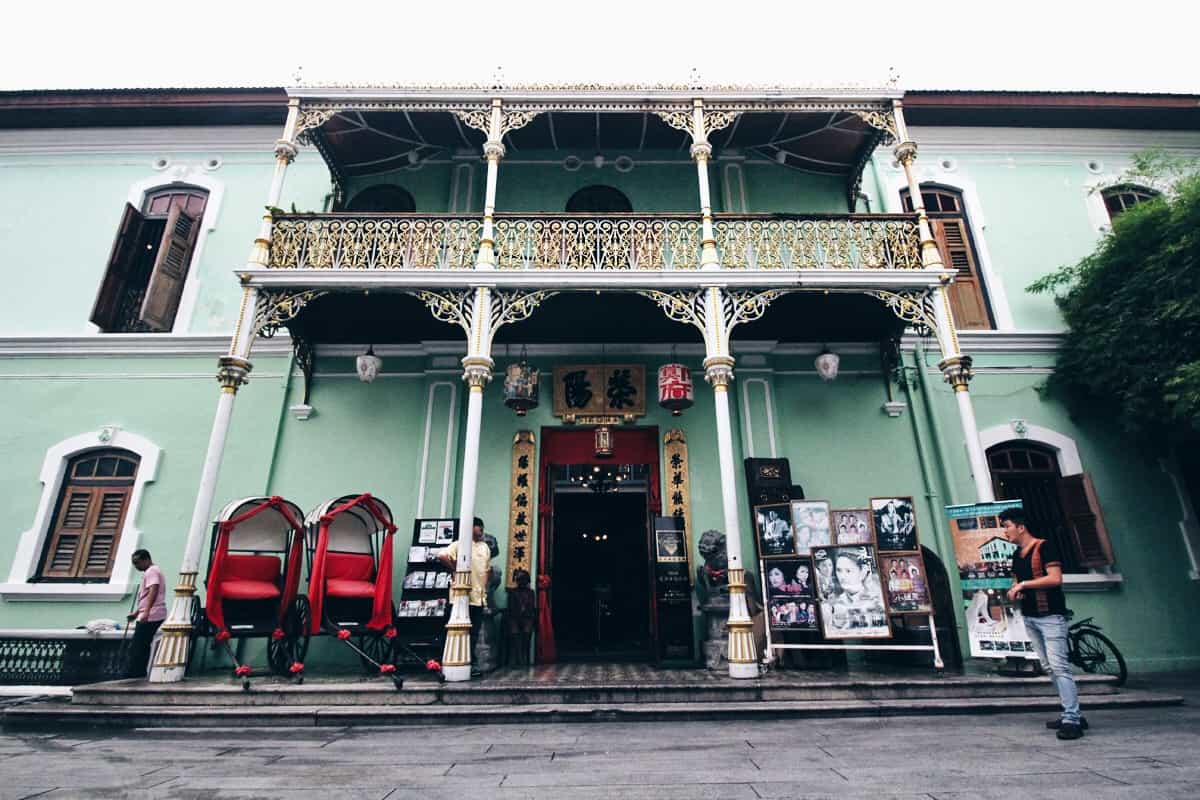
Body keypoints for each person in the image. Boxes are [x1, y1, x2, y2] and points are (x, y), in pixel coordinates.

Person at [1001, 507, 1085, 740]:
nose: (1005, 531)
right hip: (1031, 616)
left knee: (1060, 667)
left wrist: (1024, 585)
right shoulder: (1016, 556)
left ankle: (1072, 719)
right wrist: (1015, 592)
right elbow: (1017, 583)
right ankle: (1071, 711)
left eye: (1007, 526)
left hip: (1051, 617)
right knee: (1049, 667)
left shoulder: (1044, 547)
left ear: (1020, 527)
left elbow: (1055, 578)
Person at [436, 516, 493, 676]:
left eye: (482, 526)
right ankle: (446, 661)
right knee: (455, 631)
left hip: (479, 597)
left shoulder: (484, 547)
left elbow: (488, 569)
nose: (481, 529)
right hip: (461, 596)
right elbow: (442, 556)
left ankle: (471, 663)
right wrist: (455, 569)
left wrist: (485, 584)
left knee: (474, 632)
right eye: (477, 526)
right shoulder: (459, 544)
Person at [126, 549, 167, 678]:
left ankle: (135, 673)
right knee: (142, 644)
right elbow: (147, 595)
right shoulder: (152, 571)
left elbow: (153, 590)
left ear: (146, 560)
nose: (136, 566)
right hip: (149, 612)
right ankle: (138, 672)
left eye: (137, 563)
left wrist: (146, 612)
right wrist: (137, 612)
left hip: (152, 613)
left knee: (138, 646)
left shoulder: (152, 571)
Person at [505, 568, 536, 666]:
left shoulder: (531, 592)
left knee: (527, 633)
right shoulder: (512, 592)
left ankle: (523, 658)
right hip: (514, 617)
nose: (521, 582)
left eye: (524, 580)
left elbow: (531, 607)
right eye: (519, 580)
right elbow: (510, 608)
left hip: (526, 617)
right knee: (515, 634)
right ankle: (518, 659)